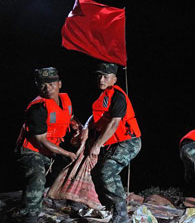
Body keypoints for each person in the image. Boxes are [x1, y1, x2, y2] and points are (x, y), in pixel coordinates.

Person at [15, 67, 77, 223]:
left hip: (51, 150)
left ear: (59, 84)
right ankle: (31, 216)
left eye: (51, 83)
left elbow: (69, 118)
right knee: (38, 177)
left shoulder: (64, 100)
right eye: (43, 84)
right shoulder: (38, 108)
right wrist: (67, 153)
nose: (47, 88)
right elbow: (41, 140)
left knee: (73, 168)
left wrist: (77, 126)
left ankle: (75, 204)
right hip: (32, 150)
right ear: (37, 86)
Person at [81, 62, 141, 223]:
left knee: (107, 170)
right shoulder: (103, 96)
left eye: (106, 76)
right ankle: (107, 206)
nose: (101, 79)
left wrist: (97, 145)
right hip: (114, 143)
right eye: (99, 76)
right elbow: (97, 117)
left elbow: (114, 123)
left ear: (114, 79)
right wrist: (86, 127)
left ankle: (121, 214)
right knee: (96, 171)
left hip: (129, 141)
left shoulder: (118, 96)